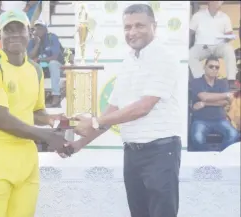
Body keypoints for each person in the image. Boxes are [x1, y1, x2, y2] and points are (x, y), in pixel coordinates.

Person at [62, 4, 182, 217]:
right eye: (127, 27)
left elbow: (144, 107)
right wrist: (78, 144)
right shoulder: (128, 61)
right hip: (132, 154)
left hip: (160, 152)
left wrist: (96, 122)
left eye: (139, 25)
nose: (132, 32)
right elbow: (111, 112)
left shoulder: (164, 56)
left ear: (154, 26)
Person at [0, 10, 68, 217]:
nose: (14, 35)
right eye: (8, 30)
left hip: (27, 156)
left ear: (30, 33)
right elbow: (2, 120)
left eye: (20, 29)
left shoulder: (35, 70)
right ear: (0, 35)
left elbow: (35, 111)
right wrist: (47, 136)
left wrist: (54, 120)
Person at [190, 56, 240, 151]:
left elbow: (225, 102)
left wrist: (204, 104)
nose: (214, 69)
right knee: (197, 138)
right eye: (211, 66)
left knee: (234, 134)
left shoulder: (222, 83)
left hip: (220, 119)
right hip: (201, 120)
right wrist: (225, 94)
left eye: (217, 67)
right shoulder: (196, 82)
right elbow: (204, 96)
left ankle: (219, 153)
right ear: (204, 67)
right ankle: (207, 154)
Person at [189, 1, 237, 80]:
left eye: (220, 2)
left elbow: (229, 34)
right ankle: (202, 79)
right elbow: (190, 32)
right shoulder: (198, 16)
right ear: (209, 2)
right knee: (191, 54)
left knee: (229, 49)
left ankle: (231, 80)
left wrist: (228, 37)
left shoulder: (225, 17)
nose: (219, 3)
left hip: (219, 45)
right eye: (217, 2)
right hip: (202, 46)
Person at [28, 19, 64, 107]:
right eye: (36, 28)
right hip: (42, 68)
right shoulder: (33, 41)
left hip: (57, 67)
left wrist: (40, 60)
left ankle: (56, 95)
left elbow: (55, 57)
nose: (38, 31)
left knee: (52, 63)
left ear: (46, 29)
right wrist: (37, 44)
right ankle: (34, 96)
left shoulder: (52, 38)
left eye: (40, 28)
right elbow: (29, 56)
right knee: (30, 64)